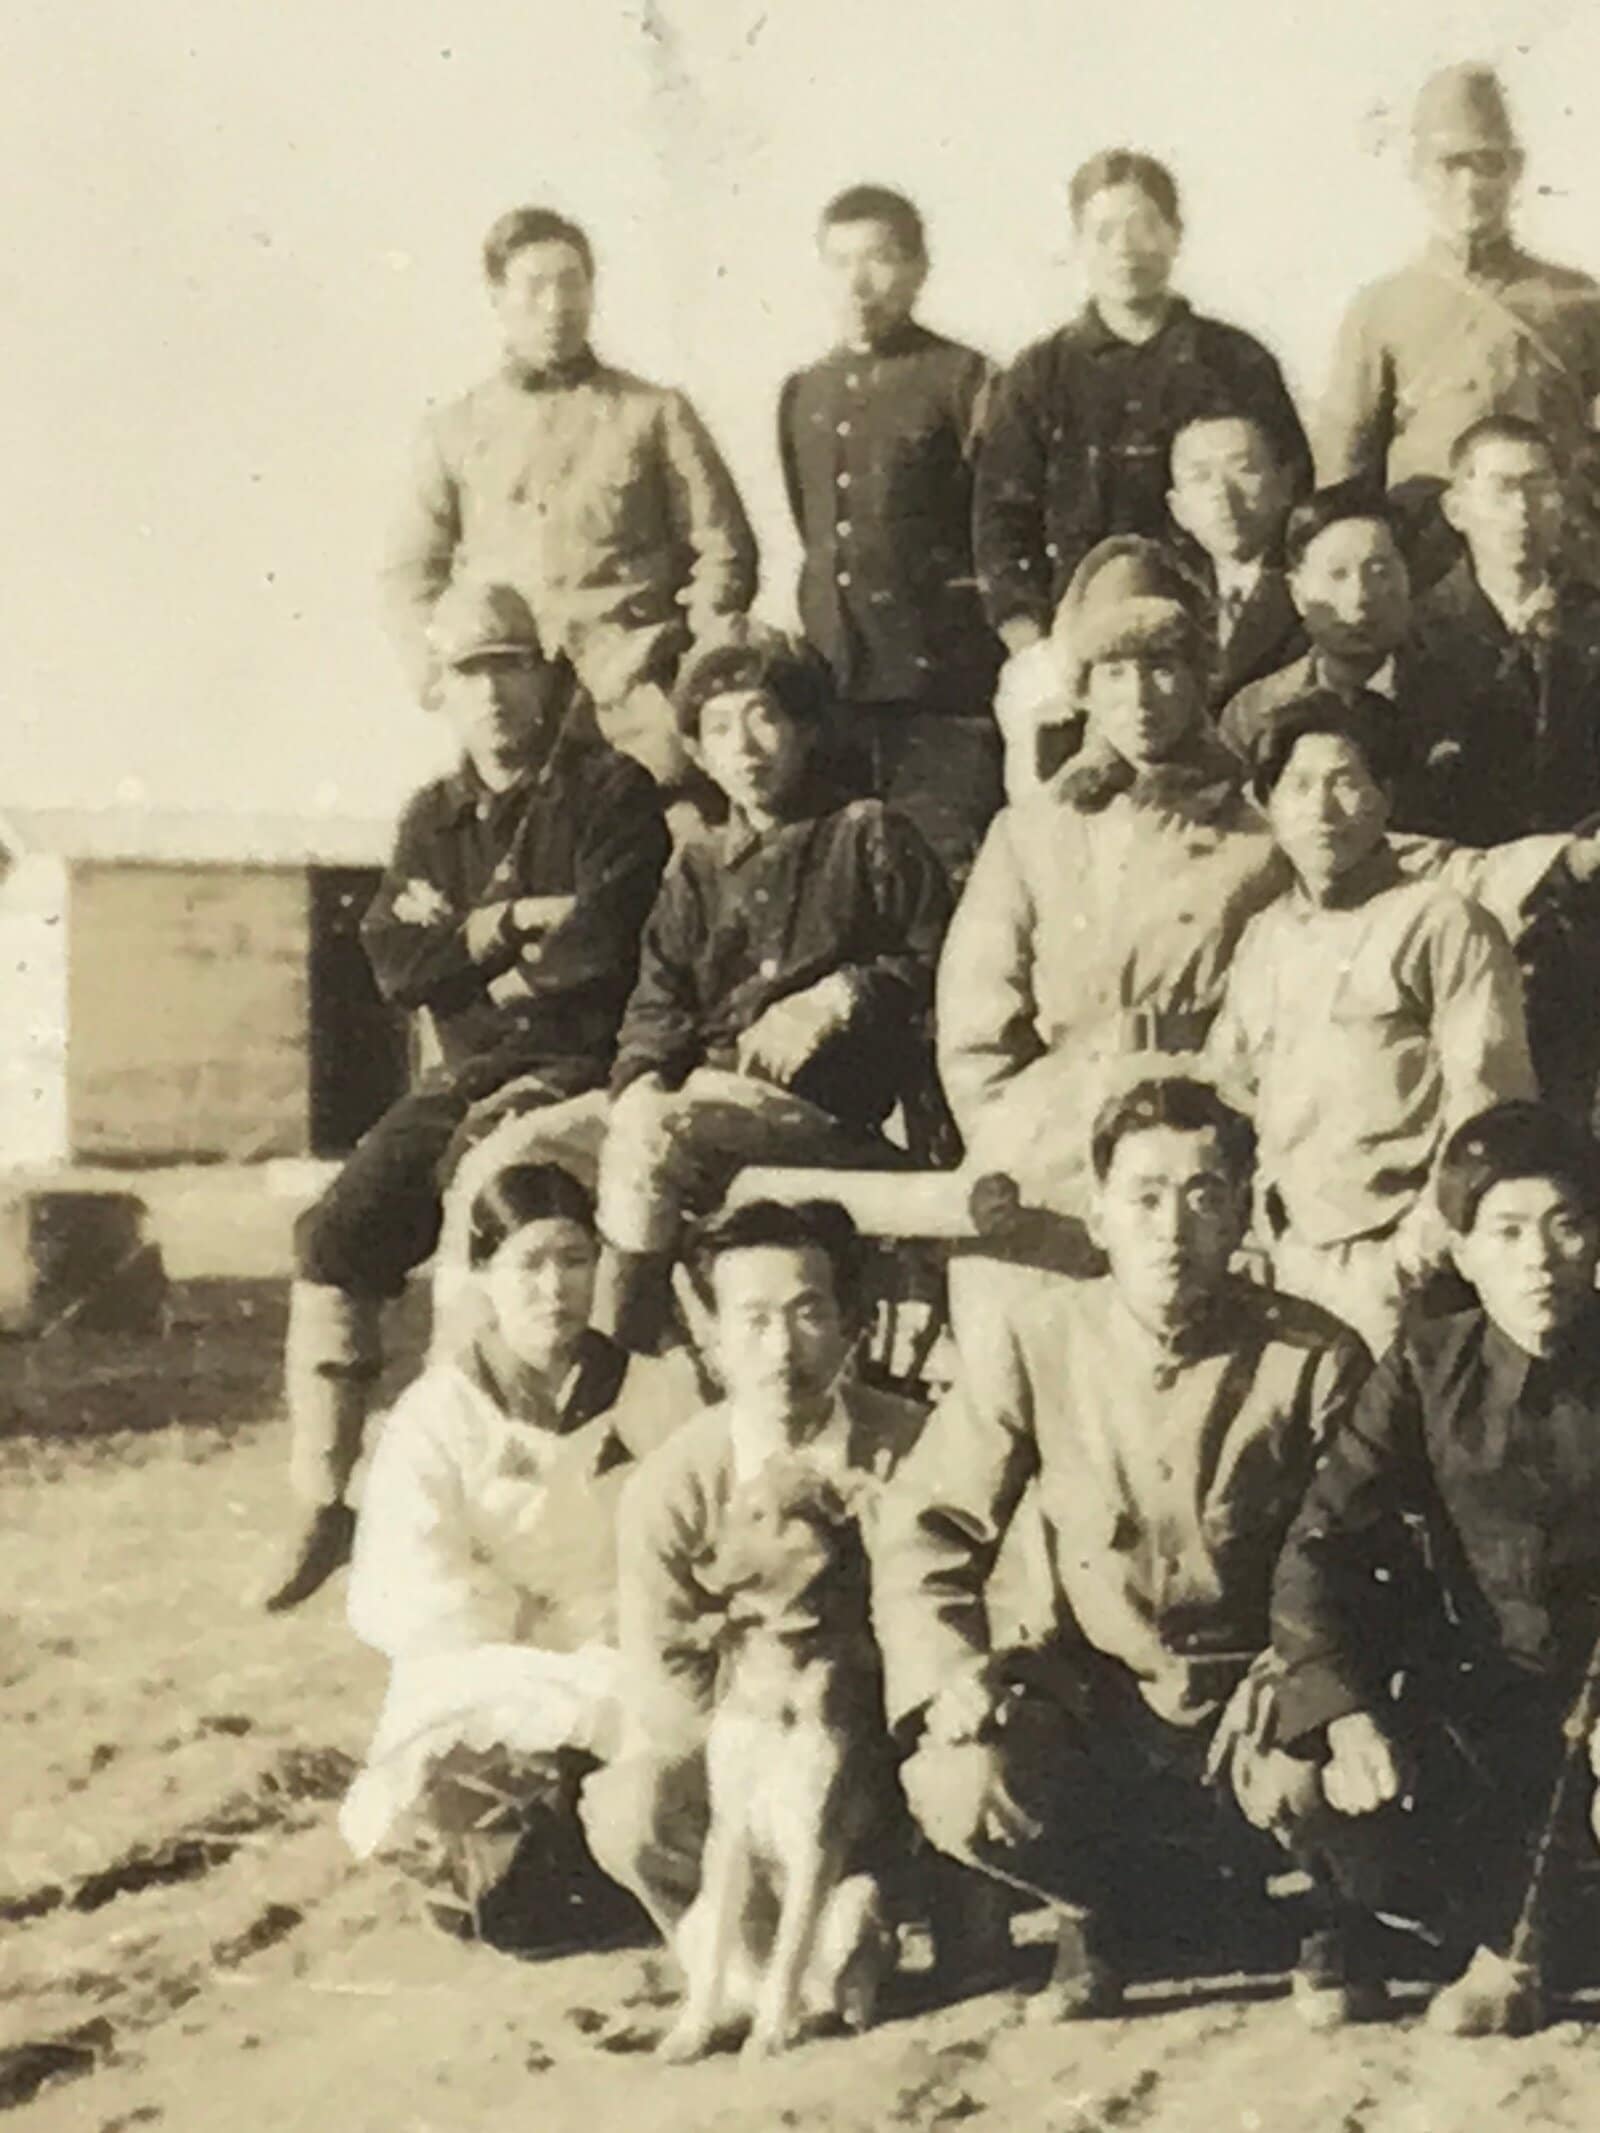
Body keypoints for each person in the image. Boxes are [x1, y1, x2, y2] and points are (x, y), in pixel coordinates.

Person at [872, 1077, 1372, 2020]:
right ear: (1098, 1215)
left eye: (1203, 1193)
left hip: (1260, 1699)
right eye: (1143, 1196)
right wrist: (949, 1674)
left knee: (1315, 1771)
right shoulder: (1037, 1341)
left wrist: (1316, 1690)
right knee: (960, 1778)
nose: (1172, 1226)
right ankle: (1097, 1909)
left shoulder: (1314, 1358)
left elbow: (1367, 1556)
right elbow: (926, 1527)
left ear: (1243, 1214)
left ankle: (1321, 1904)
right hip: (1099, 1700)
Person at [264, 579, 670, 1613]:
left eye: (509, 667)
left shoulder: (609, 793)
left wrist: (473, 951)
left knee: (479, 1217)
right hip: (467, 1074)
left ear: (546, 675)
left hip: (578, 1069)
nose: (492, 694)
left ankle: (482, 1490)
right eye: (467, 674)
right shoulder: (432, 818)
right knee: (334, 1232)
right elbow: (394, 963)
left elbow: (597, 952)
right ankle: (323, 1495)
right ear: (437, 690)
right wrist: (500, 931)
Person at [1271, 1101, 1600, 2033]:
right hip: (1485, 1712)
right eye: (1506, 1231)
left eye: (1567, 1224)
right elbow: (1317, 1548)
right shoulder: (1425, 1369)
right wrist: (1347, 1715)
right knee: (1339, 1814)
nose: (1539, 1258)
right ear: (1462, 1249)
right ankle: (1520, 1936)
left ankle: (1525, 1951)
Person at [339, 1163, 699, 1944]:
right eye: (527, 1264)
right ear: (483, 1277)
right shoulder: (437, 1412)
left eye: (573, 1259)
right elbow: (408, 1579)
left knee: (651, 1783)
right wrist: (519, 1614)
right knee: (488, 1882)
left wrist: (616, 1617)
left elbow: (696, 1527)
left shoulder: (654, 1390)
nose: (554, 1287)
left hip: (629, 1647)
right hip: (493, 1664)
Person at [578, 1200, 926, 1947]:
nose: (782, 1350)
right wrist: (775, 1761)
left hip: (892, 1758)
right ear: (709, 1341)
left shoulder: (916, 1446)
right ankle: (747, 1952)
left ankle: (921, 1922)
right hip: (751, 1762)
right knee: (630, 1809)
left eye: (808, 1313)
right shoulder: (673, 1485)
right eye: (754, 1321)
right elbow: (664, 1666)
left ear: (849, 1323)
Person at [938, 537, 1286, 1229]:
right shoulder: (1032, 832)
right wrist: (1012, 1131)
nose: (1139, 696)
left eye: (1161, 667)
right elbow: (976, 1026)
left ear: (1196, 676)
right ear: (1086, 688)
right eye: (1115, 671)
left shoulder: (1263, 835)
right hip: (1056, 1136)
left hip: (1210, 1129)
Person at [1209, 695, 1548, 1355]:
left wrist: (1412, 1257)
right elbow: (1231, 1092)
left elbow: (1488, 1109)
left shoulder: (1442, 921)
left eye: (1346, 781)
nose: (1323, 809)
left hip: (1401, 1268)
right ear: (1269, 804)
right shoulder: (1263, 938)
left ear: (1386, 796)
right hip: (1286, 1262)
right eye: (1299, 786)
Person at [380, 205, 757, 795]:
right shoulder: (454, 429)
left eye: (572, 283)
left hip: (635, 704)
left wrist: (693, 670)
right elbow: (408, 572)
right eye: (534, 288)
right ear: (497, 298)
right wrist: (442, 676)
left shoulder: (654, 413)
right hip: (514, 711)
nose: (557, 306)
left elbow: (723, 549)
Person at [974, 149, 1308, 692]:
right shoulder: (1040, 374)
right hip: (1080, 648)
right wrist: (1038, 654)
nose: (1125, 248)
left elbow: (1291, 499)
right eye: (1103, 232)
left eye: (1145, 225)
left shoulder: (1236, 361)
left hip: (1224, 648)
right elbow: (1000, 527)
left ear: (1176, 234)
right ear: (1077, 244)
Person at [778, 185, 1002, 885]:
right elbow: (815, 529)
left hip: (942, 697)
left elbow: (997, 526)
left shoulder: (965, 379)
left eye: (879, 259)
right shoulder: (804, 393)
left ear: (918, 269)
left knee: (942, 876)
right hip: (836, 690)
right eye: (840, 261)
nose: (859, 281)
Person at [1407, 416, 1600, 1120]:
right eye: (1502, 488)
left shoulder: (1592, 620)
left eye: (1539, 488)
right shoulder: (1416, 632)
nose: (1522, 511)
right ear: (1458, 507)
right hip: (1467, 917)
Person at [1317, 68, 1600, 527]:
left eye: (1488, 163)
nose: (1470, 185)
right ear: (1417, 171)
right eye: (1451, 164)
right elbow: (1344, 466)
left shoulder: (1578, 300)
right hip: (1430, 556)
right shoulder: (1382, 308)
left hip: (1559, 550)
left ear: (1516, 169)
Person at [1217, 489, 1418, 770]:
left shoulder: (1461, 697)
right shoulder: (1253, 713)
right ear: (1297, 593)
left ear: (1410, 580)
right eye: (1337, 574)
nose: (1360, 596)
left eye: (1380, 572)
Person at [1164, 411, 1307, 709]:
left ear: (1284, 485)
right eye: (1201, 477)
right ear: (1179, 509)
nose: (1223, 494)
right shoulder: (1170, 594)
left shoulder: (1313, 585)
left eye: (1244, 469)